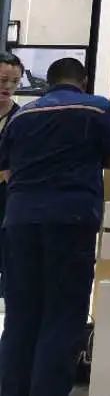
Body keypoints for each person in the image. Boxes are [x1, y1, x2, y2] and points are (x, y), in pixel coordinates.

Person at [0, 57, 110, 396]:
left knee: (21, 313)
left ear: (47, 83)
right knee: (63, 311)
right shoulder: (96, 108)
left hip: (19, 219)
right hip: (70, 218)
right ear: (82, 81)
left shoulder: (22, 116)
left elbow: (7, 162)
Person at [0, 52, 22, 298]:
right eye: (3, 80)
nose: (8, 87)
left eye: (14, 82)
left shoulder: (20, 118)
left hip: (7, 195)